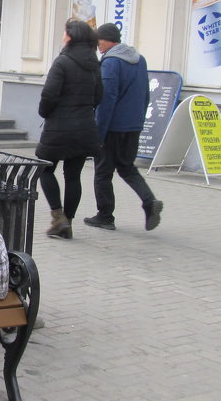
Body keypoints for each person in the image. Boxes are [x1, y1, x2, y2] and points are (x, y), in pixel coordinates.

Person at [84, 23, 163, 231]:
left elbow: (106, 100)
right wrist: (139, 122)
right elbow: (146, 95)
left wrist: (98, 134)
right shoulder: (139, 60)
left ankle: (105, 215)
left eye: (98, 41)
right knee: (127, 167)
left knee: (102, 172)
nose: (97, 45)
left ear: (108, 40)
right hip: (133, 126)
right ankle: (149, 201)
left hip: (112, 128)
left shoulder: (111, 63)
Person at [35, 19, 103, 240]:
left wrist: (45, 113)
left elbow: (49, 95)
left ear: (71, 36)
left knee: (45, 169)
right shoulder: (94, 63)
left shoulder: (62, 62)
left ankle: (58, 217)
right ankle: (68, 223)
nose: (63, 35)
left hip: (58, 128)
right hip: (84, 127)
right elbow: (99, 96)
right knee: (73, 176)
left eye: (65, 32)